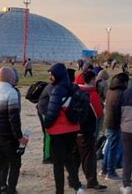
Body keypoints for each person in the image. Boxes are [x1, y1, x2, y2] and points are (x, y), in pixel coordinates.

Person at [0, 67, 27, 194]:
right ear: (10, 78)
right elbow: (14, 119)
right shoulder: (11, 93)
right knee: (15, 162)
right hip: (9, 136)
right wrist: (19, 137)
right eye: (13, 76)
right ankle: (11, 190)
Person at [42, 63, 83, 194]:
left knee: (58, 164)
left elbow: (53, 111)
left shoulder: (57, 89)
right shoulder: (73, 86)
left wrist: (47, 124)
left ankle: (59, 191)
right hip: (73, 128)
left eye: (51, 74)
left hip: (58, 131)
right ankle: (77, 187)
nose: (50, 76)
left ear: (57, 75)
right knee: (69, 159)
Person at [75, 70, 108, 191]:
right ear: (92, 80)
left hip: (74, 129)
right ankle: (92, 181)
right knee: (89, 157)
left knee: (75, 157)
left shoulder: (75, 91)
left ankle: (73, 180)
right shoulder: (92, 94)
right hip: (87, 130)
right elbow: (99, 114)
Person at [102, 73, 129, 181]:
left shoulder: (110, 90)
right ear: (124, 82)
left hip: (108, 122)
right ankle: (111, 172)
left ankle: (104, 169)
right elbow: (120, 110)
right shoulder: (121, 93)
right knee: (113, 148)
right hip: (115, 124)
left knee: (109, 146)